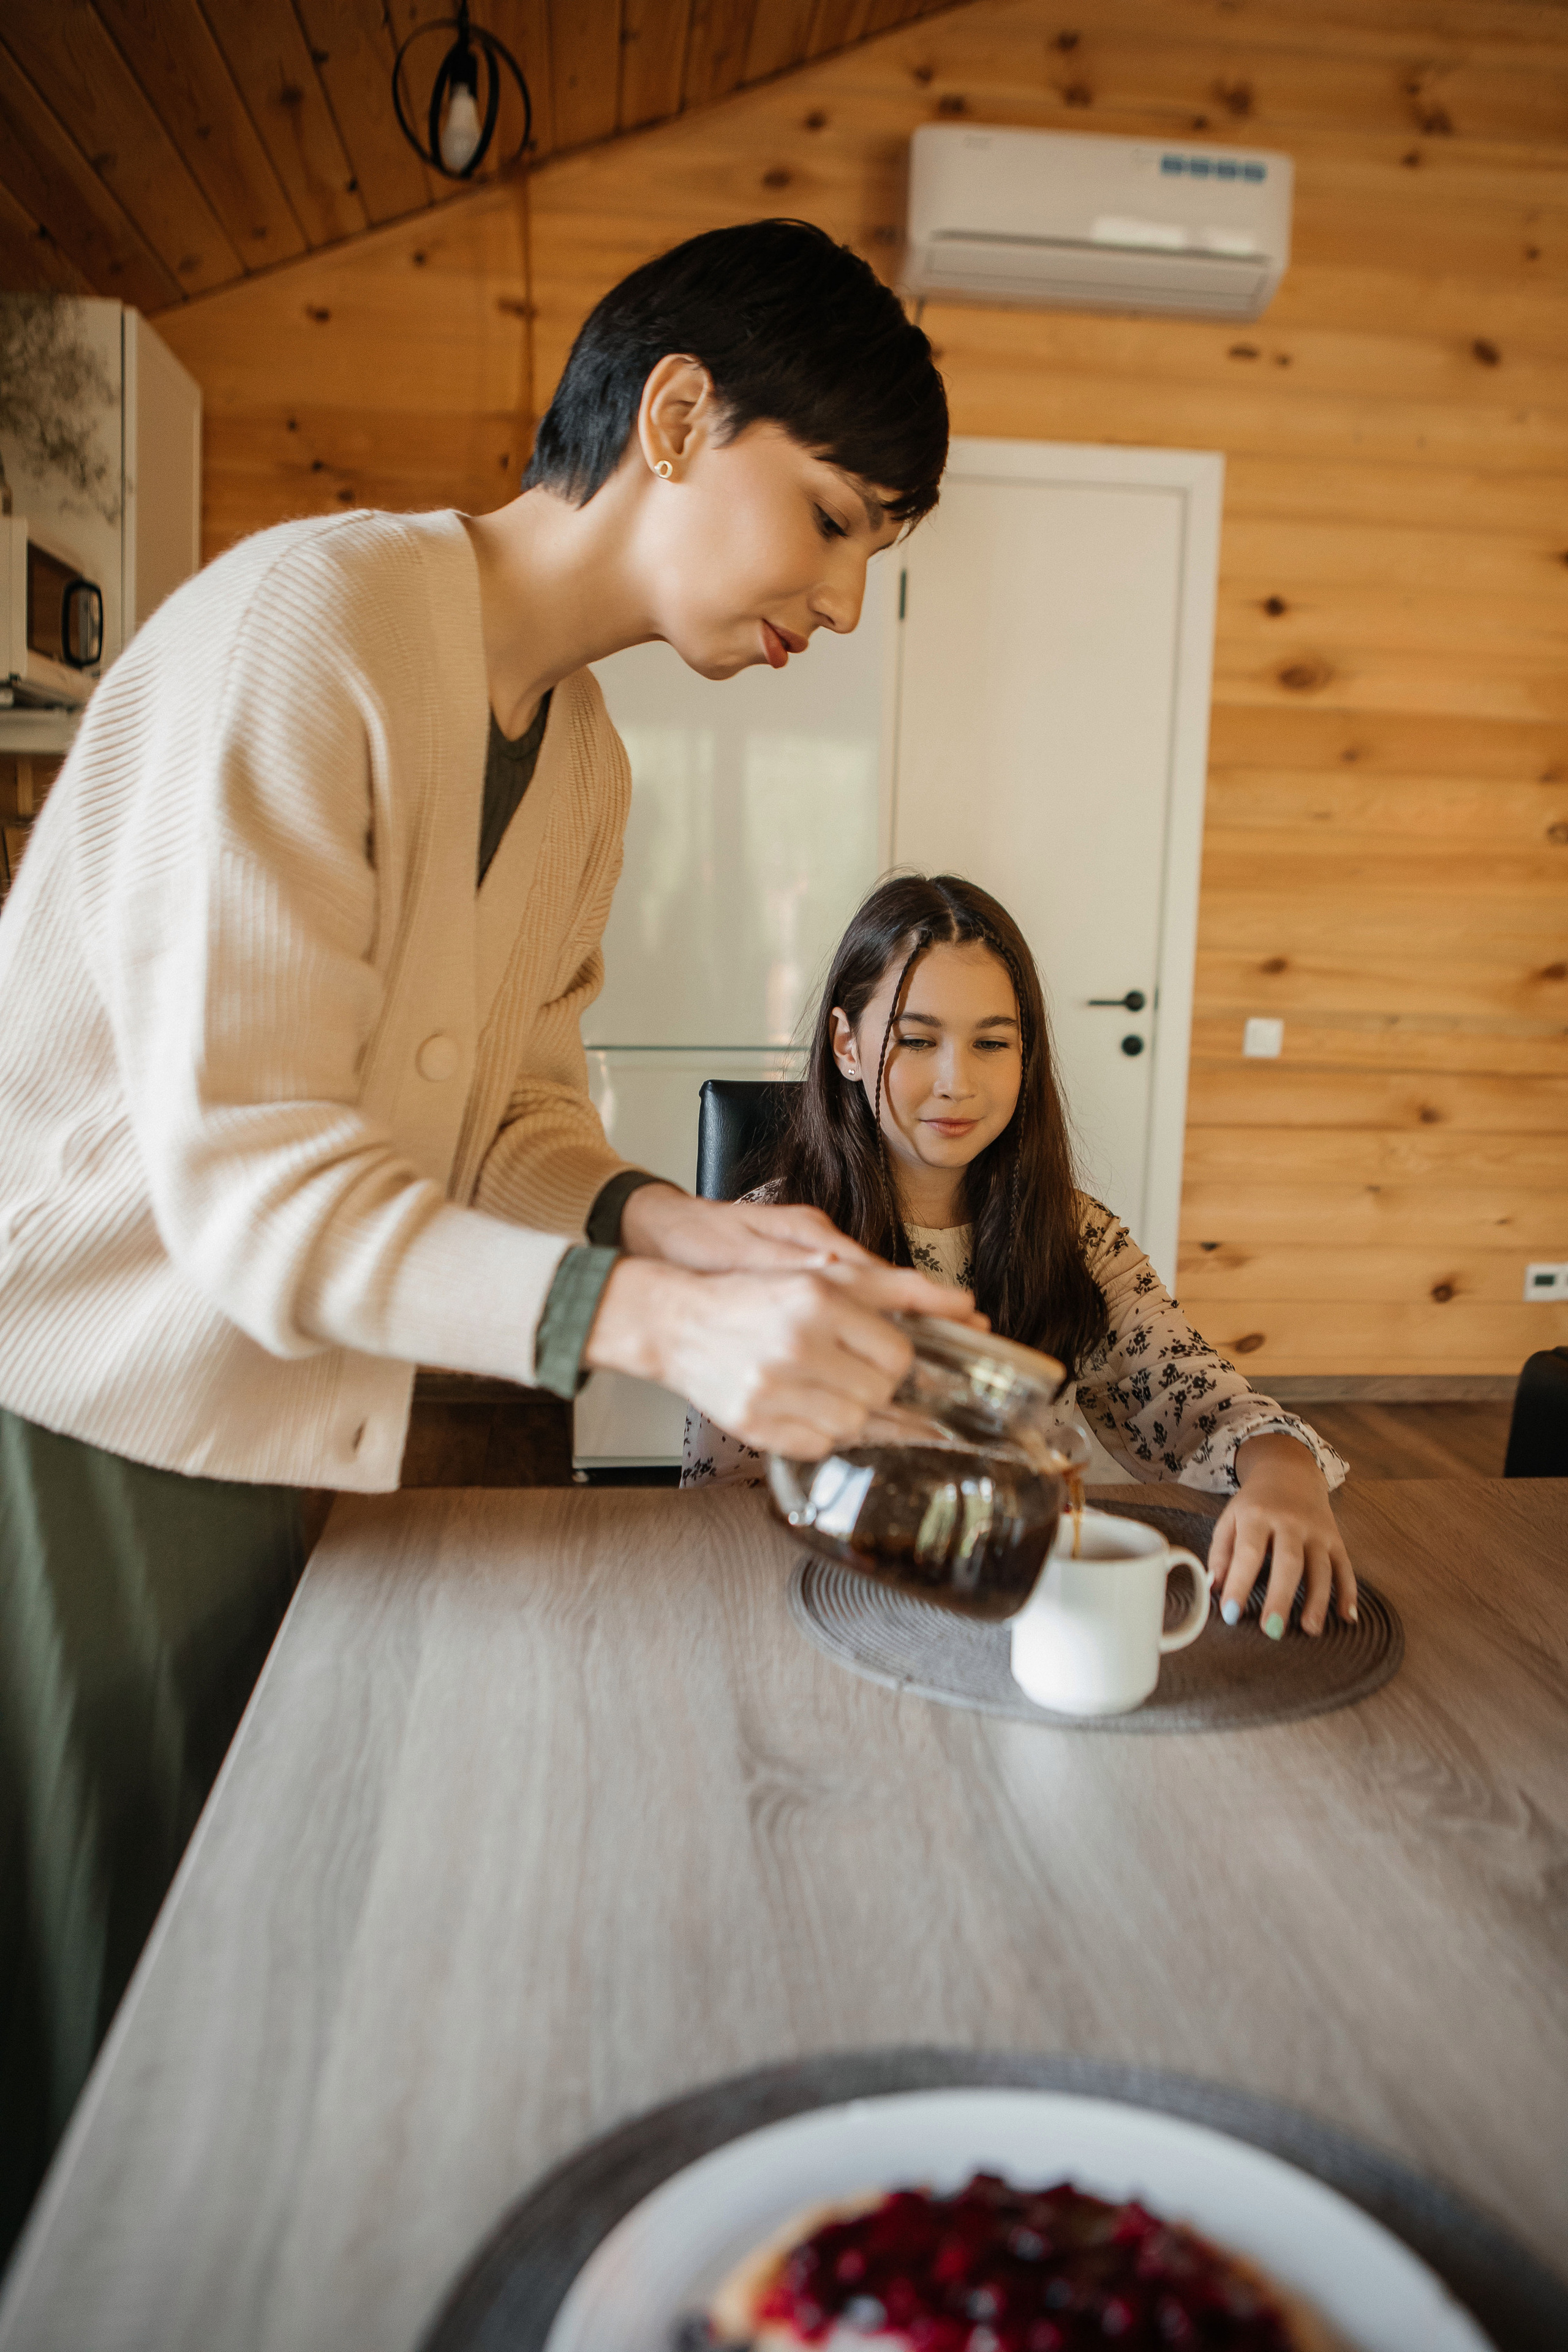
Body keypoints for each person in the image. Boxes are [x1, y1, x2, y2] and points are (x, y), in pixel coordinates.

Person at [0, 221, 970, 2261]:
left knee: (228, 1937)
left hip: (268, 1417)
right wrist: (655, 1336)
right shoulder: (312, 626)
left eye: (878, 551)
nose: (849, 600)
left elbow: (511, 1121)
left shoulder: (591, 759)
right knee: (98, 2000)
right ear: (679, 415)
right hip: (76, 1415)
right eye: (833, 520)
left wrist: (711, 1241)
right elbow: (255, 1179)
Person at [682, 873, 1357, 1638]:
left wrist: (1285, 1474)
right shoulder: (764, 1250)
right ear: (846, 1043)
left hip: (1029, 1612)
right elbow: (722, 1509)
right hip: (833, 1616)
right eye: (915, 1039)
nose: (956, 1082)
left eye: (992, 1043)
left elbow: (1203, 1404)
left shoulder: (1078, 1237)